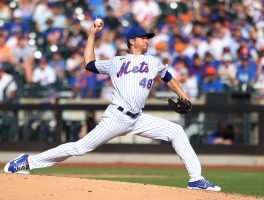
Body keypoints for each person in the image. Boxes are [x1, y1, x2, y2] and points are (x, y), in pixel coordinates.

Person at [4, 22, 221, 192]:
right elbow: (88, 64)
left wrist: (183, 95)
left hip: (138, 118)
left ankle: (196, 179)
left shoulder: (154, 61)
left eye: (148, 38)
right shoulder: (117, 61)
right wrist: (91, 35)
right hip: (116, 118)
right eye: (143, 38)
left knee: (176, 131)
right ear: (131, 41)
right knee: (80, 148)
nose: (147, 41)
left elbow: (169, 78)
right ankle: (26, 161)